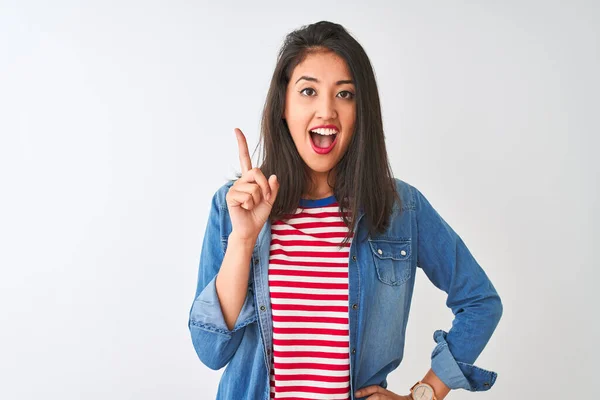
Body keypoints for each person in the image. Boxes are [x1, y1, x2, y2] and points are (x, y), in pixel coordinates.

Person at [188, 21, 502, 400]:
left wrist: (425, 394)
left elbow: (480, 302)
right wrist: (242, 239)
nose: (327, 111)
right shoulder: (234, 208)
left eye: (345, 94)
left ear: (360, 112)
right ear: (283, 107)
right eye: (308, 91)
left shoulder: (402, 209)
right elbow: (210, 352)